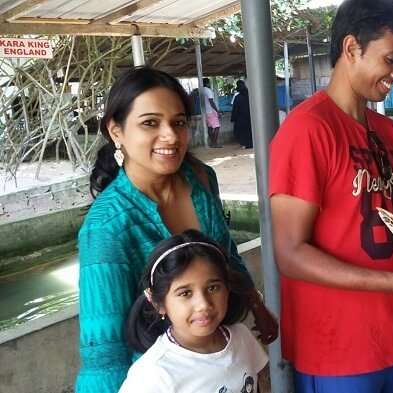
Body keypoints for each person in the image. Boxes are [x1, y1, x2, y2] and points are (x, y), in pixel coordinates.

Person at [76, 67, 277, 393]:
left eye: (179, 122)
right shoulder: (105, 228)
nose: (170, 135)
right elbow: (104, 355)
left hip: (217, 360)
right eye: (150, 123)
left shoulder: (199, 177)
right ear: (116, 132)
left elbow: (225, 254)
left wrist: (255, 303)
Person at [268, 1, 393, 392]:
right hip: (337, 351)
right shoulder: (307, 130)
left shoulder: (386, 131)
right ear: (352, 48)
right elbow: (289, 253)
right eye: (391, 59)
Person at [119, 230, 268, 393]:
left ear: (227, 289)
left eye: (213, 288)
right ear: (158, 303)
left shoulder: (242, 337)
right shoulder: (153, 375)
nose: (203, 304)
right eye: (185, 293)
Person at [230, 80, 253, 149]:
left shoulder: (237, 97)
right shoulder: (250, 95)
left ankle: (245, 144)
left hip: (241, 118)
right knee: (250, 130)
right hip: (250, 116)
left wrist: (233, 118)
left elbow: (235, 108)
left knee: (242, 131)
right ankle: (251, 144)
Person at [202, 78, 223, 148]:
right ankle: (215, 143)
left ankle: (212, 143)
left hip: (205, 112)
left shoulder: (201, 90)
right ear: (207, 83)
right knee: (217, 127)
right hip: (211, 111)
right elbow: (211, 101)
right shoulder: (208, 90)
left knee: (210, 127)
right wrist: (217, 111)